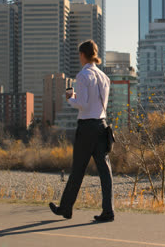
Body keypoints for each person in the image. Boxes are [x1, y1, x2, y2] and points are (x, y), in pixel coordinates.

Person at [49, 40, 114, 222]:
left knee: (78, 170)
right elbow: (97, 103)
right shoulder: (104, 77)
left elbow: (83, 103)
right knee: (105, 171)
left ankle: (66, 208)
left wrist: (70, 96)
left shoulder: (83, 75)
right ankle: (108, 211)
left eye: (79, 55)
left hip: (86, 127)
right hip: (102, 125)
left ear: (83, 55)